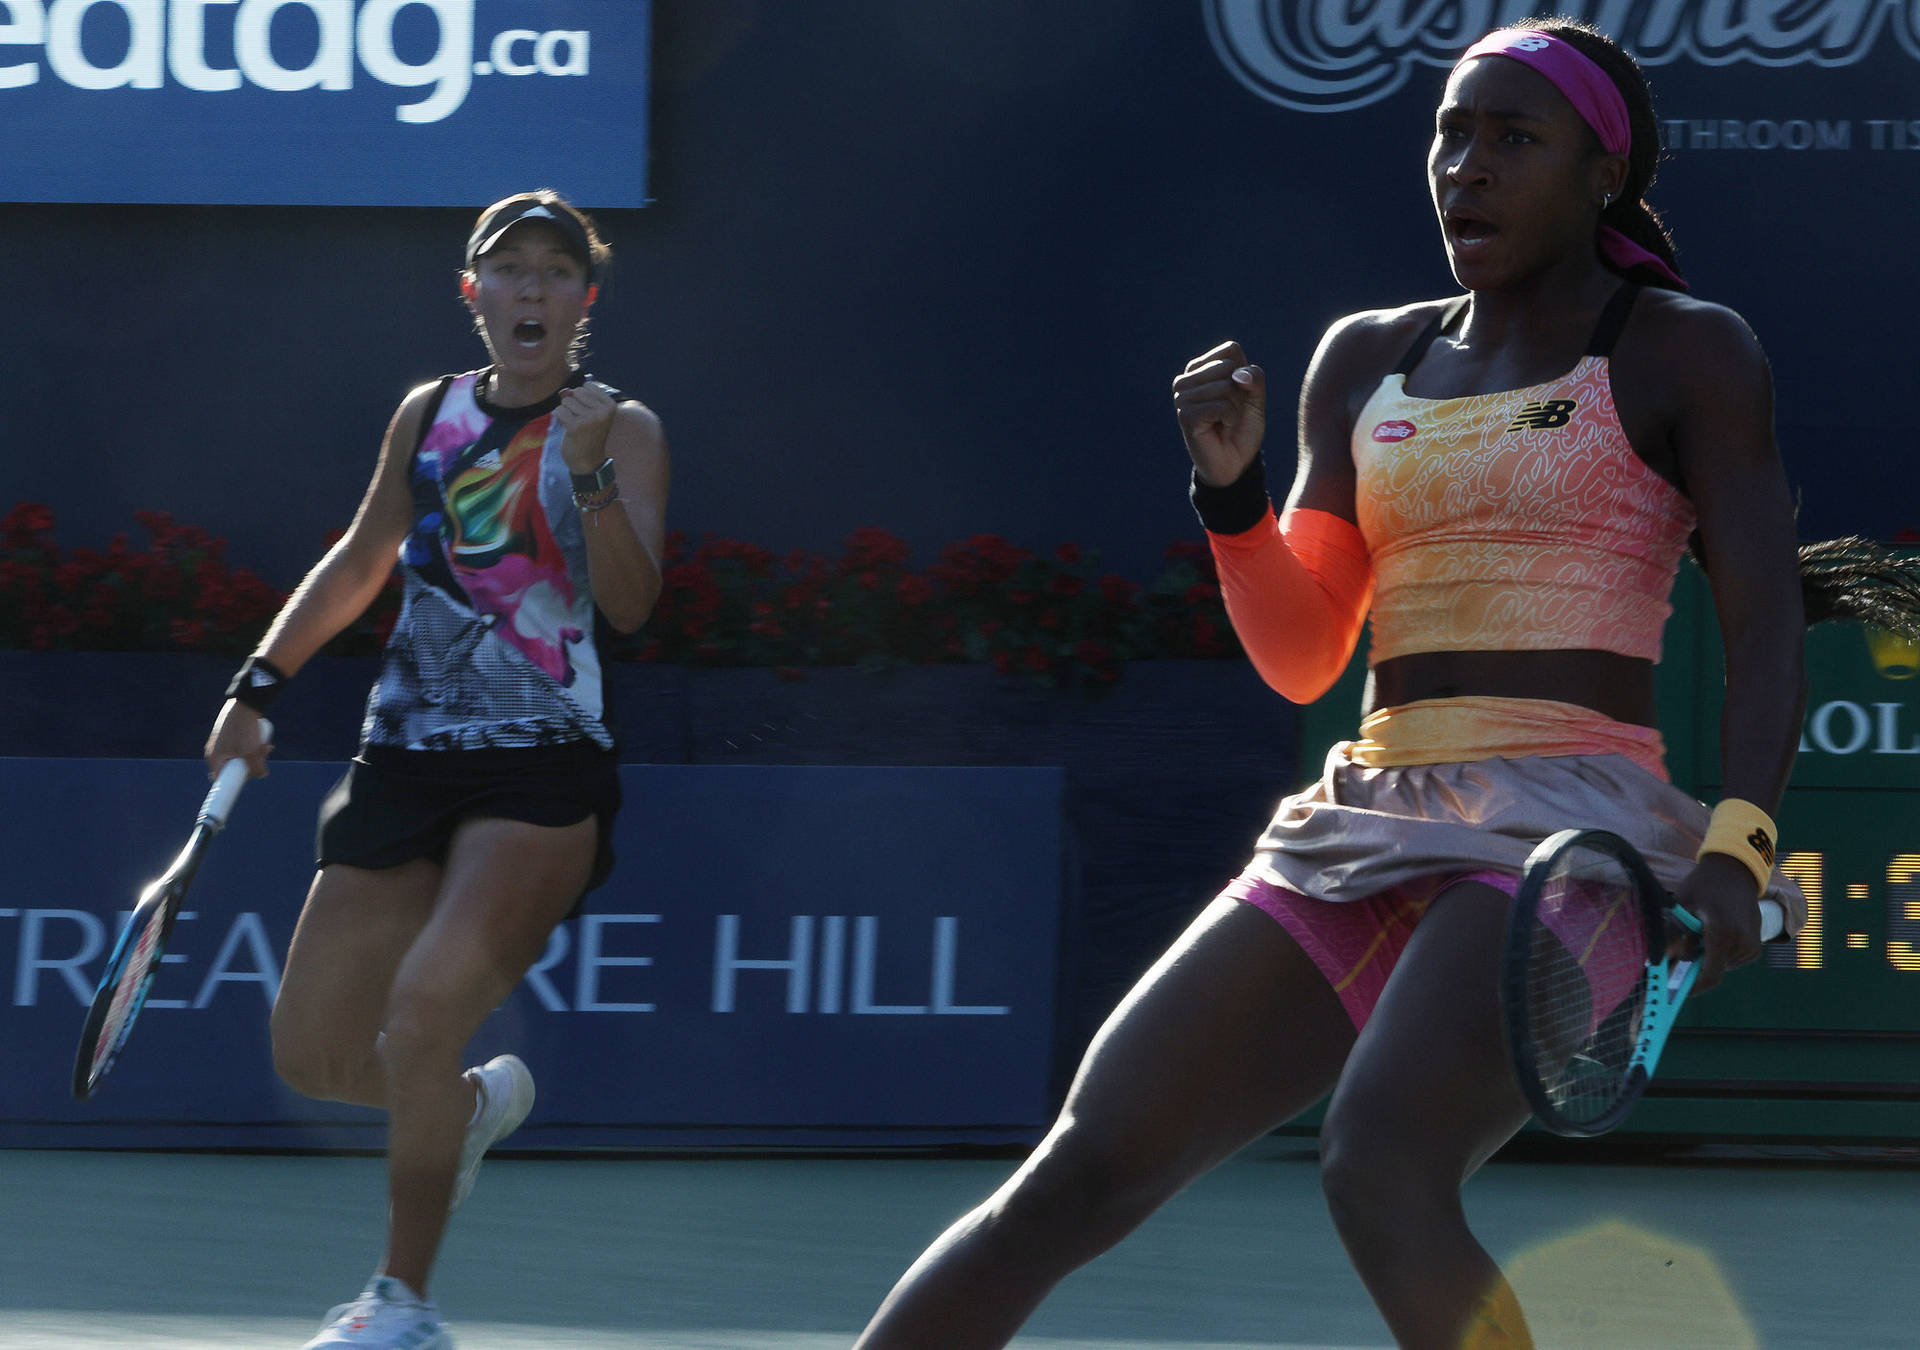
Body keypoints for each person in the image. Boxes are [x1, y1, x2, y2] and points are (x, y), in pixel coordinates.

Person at [849, 20, 1919, 1349]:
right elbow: (1306, 651)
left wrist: (1737, 852)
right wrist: (1232, 498)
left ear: (1603, 174)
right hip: (1359, 819)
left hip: (1562, 840)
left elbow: (1765, 635)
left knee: (1380, 1168)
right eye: (1450, 136)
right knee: (1077, 1172)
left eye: (1512, 140)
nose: (1465, 169)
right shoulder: (1364, 358)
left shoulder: (1688, 353)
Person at [204, 190, 668, 1350]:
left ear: (583, 300)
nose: (532, 289)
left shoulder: (626, 425)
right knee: (311, 1053)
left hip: (544, 770)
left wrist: (595, 471)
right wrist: (257, 684)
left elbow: (630, 606)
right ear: (475, 296)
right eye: (509, 271)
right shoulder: (430, 414)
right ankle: (462, 1109)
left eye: (557, 272)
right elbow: (364, 559)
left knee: (419, 1018)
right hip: (402, 758)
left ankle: (400, 1306)